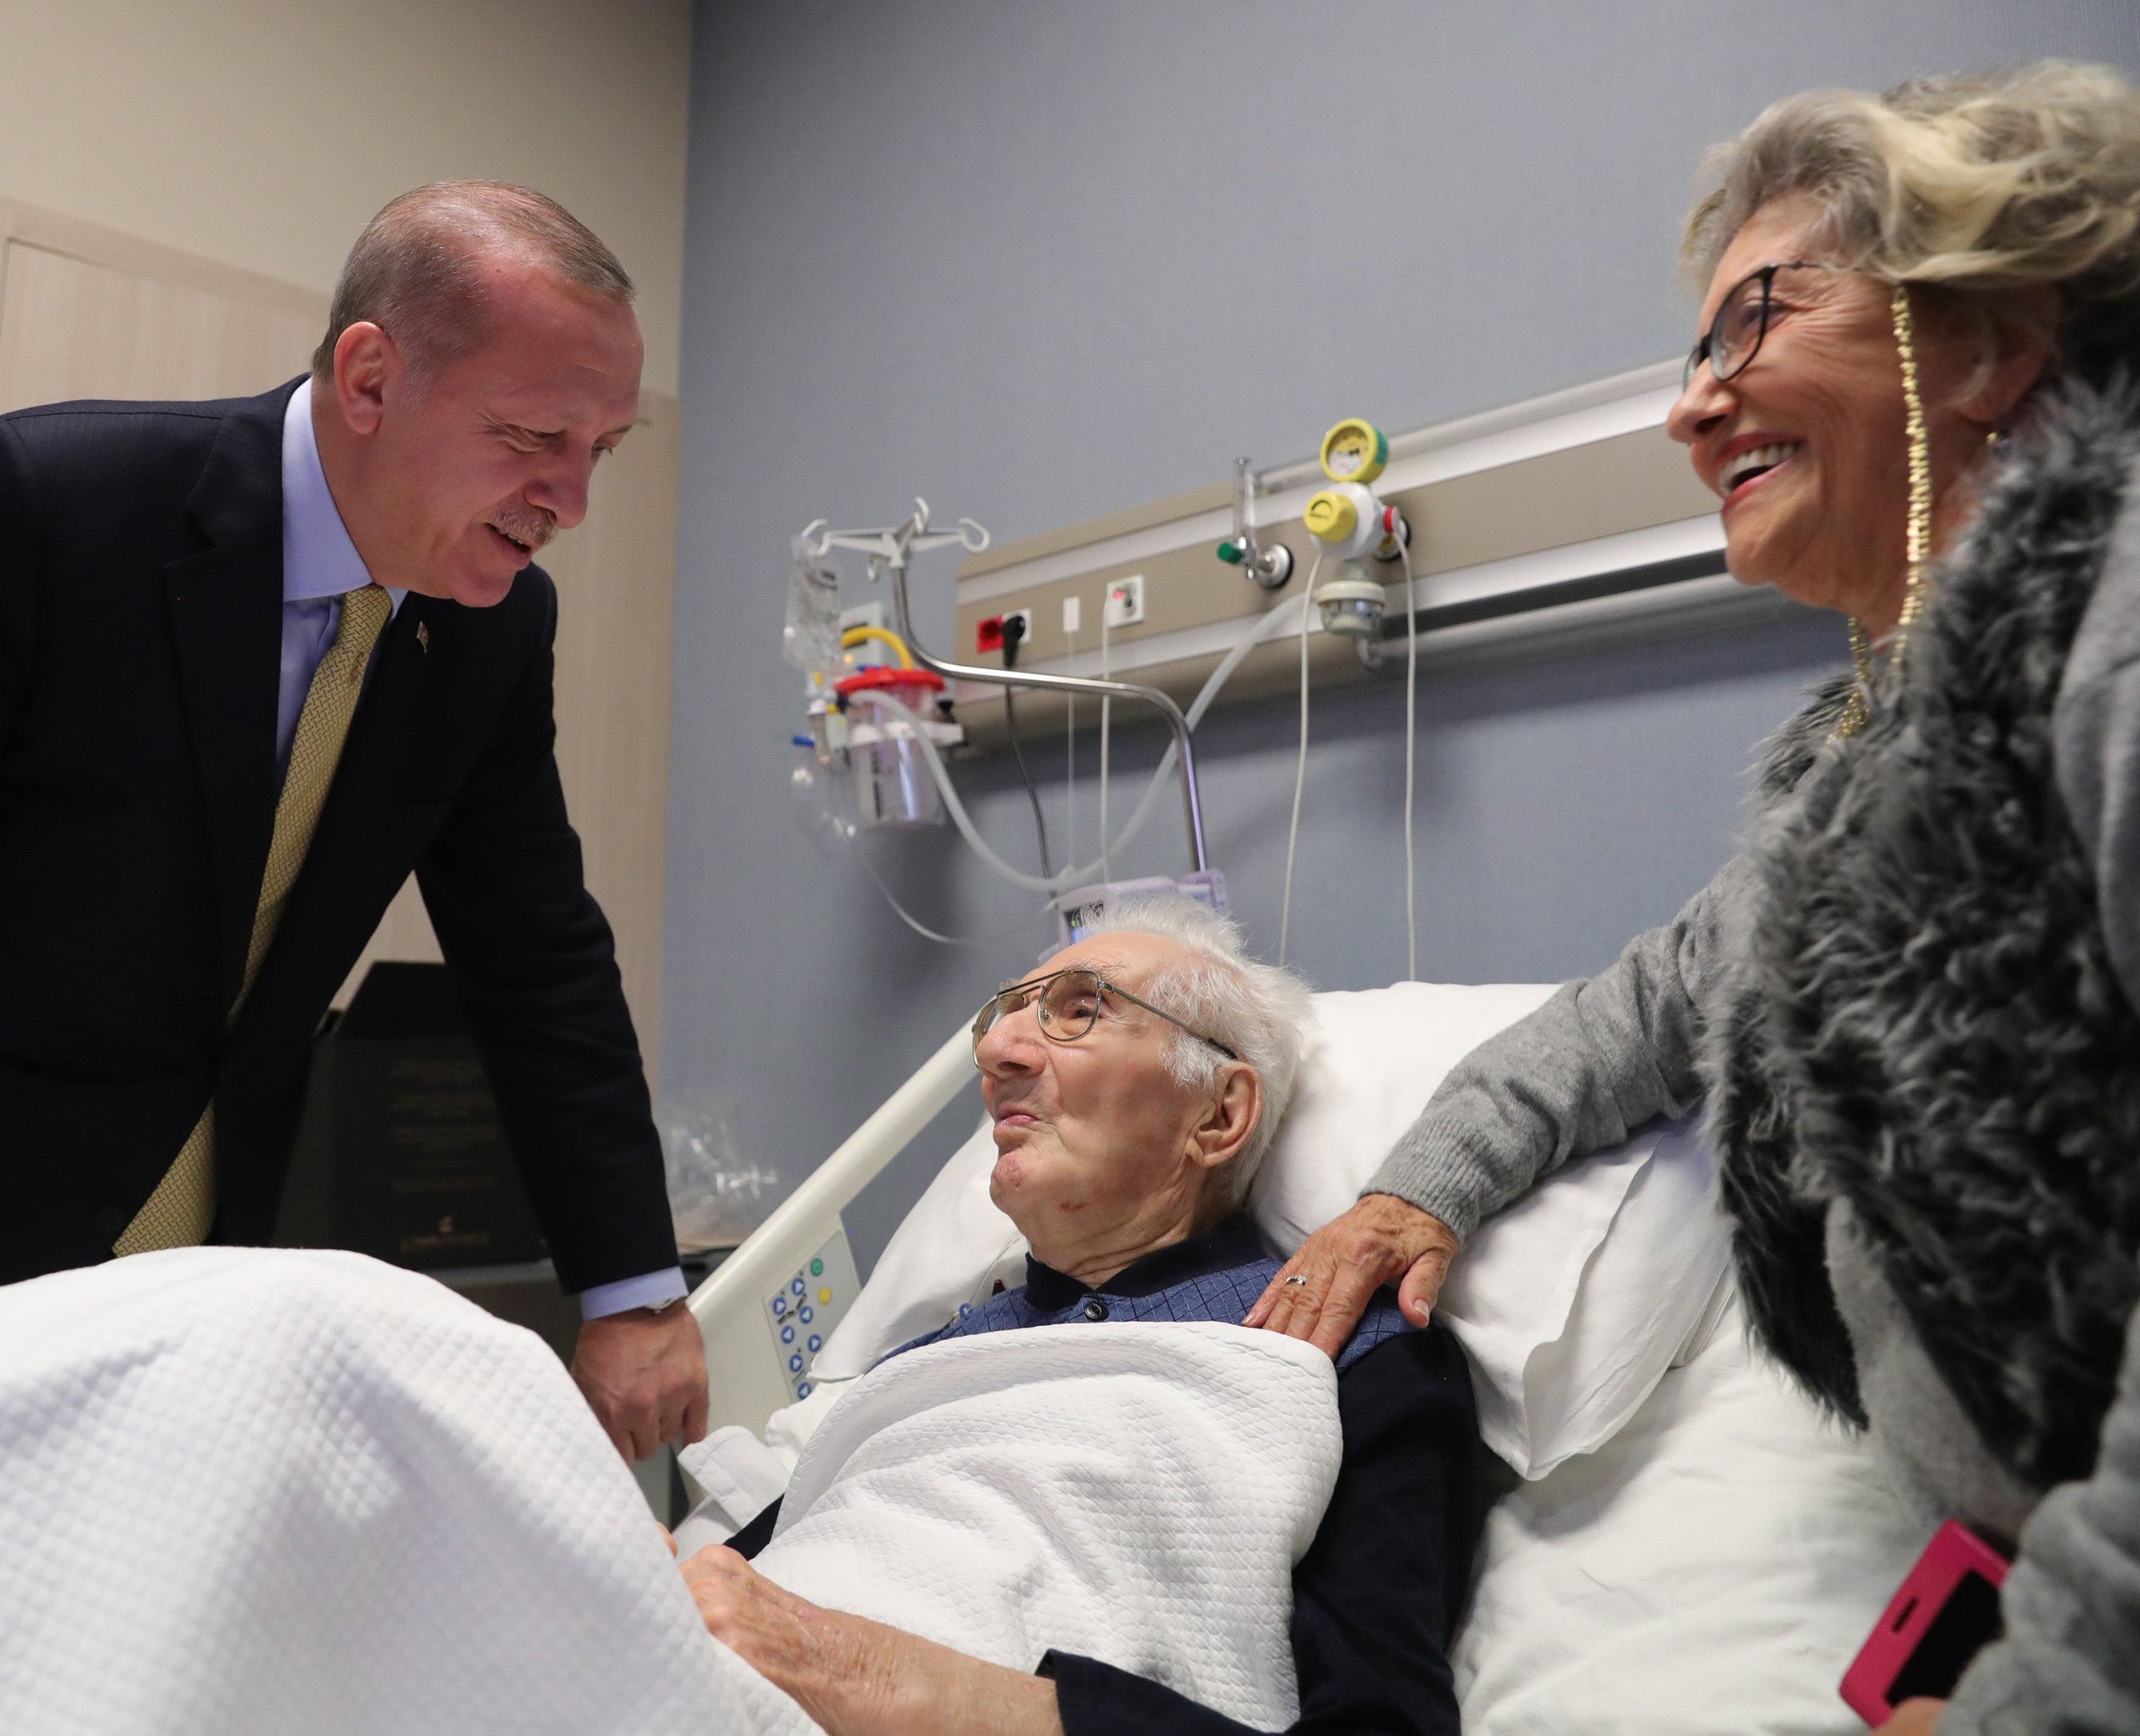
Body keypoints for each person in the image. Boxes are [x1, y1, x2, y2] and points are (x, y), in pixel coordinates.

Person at [1245, 64, 2140, 1731]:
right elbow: (1634, 1014)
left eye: (1753, 323)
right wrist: (1410, 1195)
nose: (1688, 407)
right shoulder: (1870, 783)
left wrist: (2056, 1684)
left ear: (1986, 337)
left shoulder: (2115, 622)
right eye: (1691, 353)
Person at [0, 181, 705, 1459]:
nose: (568, 500)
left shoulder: (492, 630)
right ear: (370, 378)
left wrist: (633, 1286)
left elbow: (537, 952)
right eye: (529, 435)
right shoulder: (56, 507)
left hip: (179, 1303)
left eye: (602, 450)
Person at [686, 899, 1487, 1736]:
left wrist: (899, 1685)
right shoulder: (925, 1366)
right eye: (1003, 1018)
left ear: (1218, 1113)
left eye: (1080, 1010)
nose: (997, 1052)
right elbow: (726, 1597)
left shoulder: (1343, 1358)